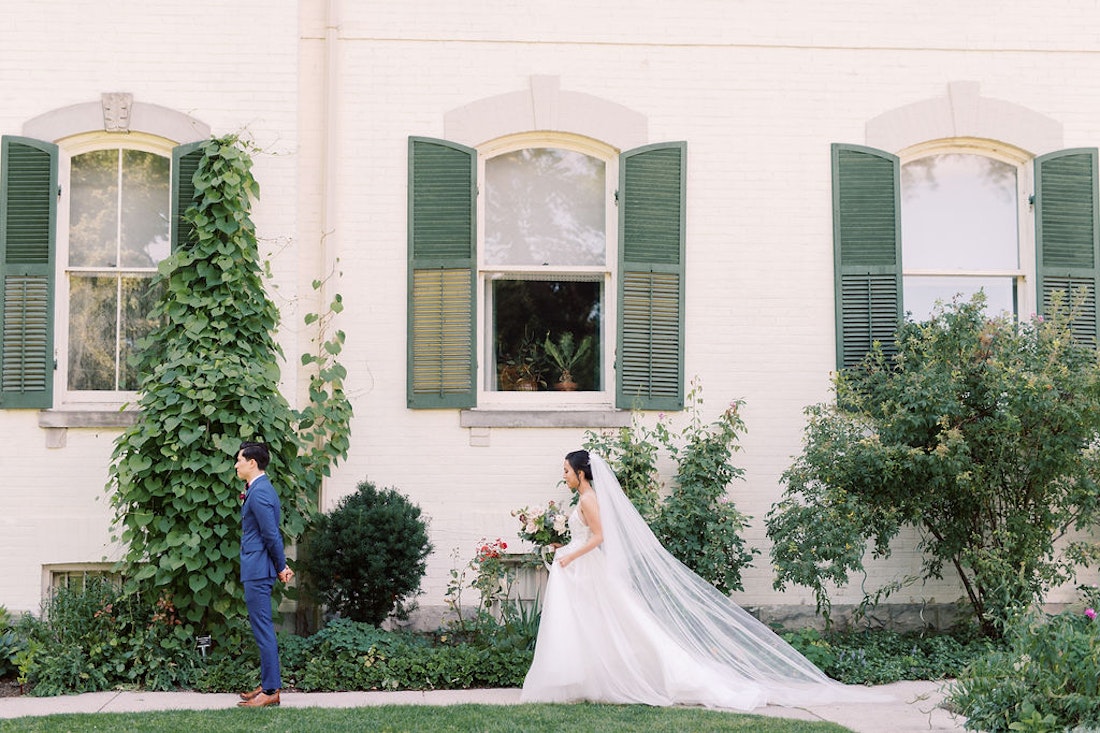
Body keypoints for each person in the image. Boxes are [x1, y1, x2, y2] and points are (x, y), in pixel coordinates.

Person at [521, 449, 887, 709]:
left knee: (623, 623)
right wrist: (563, 544)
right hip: (580, 567)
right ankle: (592, 679)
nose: (564, 476)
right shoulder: (584, 499)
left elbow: (600, 539)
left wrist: (570, 555)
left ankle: (673, 675)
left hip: (583, 566)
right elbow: (586, 535)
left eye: (567, 471)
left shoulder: (588, 499)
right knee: (597, 625)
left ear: (581, 473)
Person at [234, 441, 294, 708]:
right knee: (262, 628)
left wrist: (281, 566)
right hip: (258, 567)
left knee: (263, 629)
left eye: (239, 461)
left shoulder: (258, 493)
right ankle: (267, 684)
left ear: (252, 463)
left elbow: (271, 534)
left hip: (258, 570)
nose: (236, 465)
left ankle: (271, 691)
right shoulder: (258, 488)